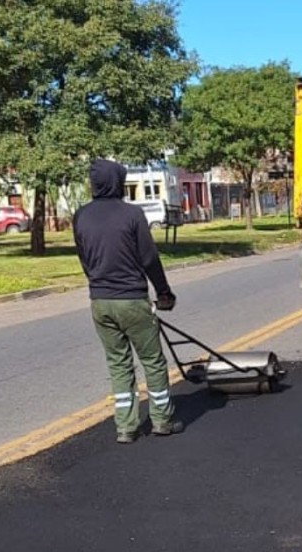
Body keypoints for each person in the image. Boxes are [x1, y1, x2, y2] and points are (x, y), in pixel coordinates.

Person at [74, 158, 183, 444]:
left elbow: (84, 258)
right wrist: (163, 292)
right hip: (131, 300)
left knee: (118, 364)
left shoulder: (80, 216)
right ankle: (162, 420)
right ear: (117, 182)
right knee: (153, 361)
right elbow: (148, 258)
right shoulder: (131, 215)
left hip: (100, 301)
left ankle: (126, 426)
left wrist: (98, 281)